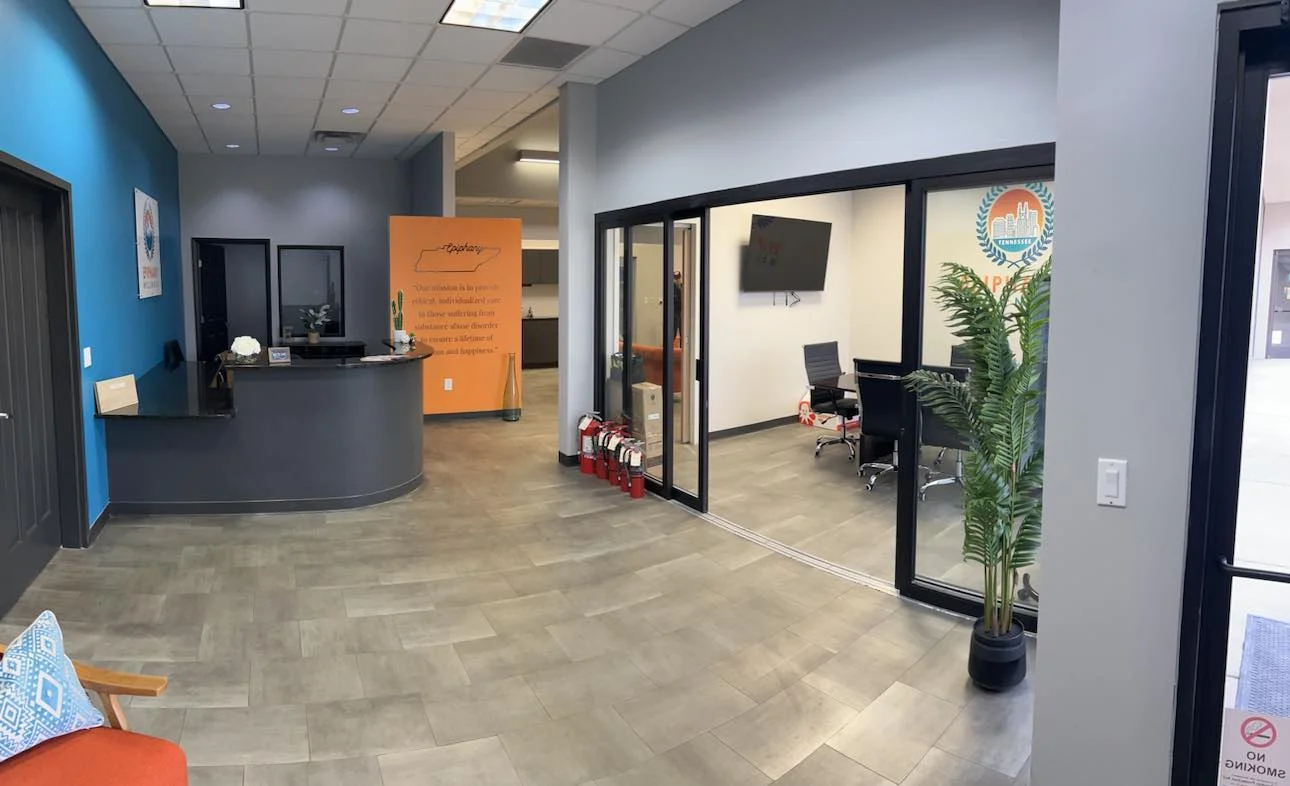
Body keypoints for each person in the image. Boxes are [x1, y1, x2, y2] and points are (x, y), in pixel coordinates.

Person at [671, 270, 683, 345]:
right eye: (675, 278)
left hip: (682, 314)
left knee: (683, 334)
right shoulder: (671, 288)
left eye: (678, 278)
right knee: (673, 333)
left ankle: (682, 349)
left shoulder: (683, 287)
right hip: (674, 314)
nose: (677, 280)